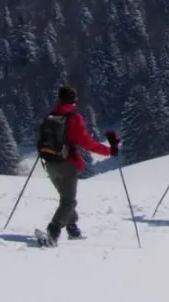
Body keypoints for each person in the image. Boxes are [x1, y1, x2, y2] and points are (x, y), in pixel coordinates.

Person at [34, 85, 118, 245]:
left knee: (65, 198)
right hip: (67, 163)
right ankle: (53, 231)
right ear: (74, 100)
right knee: (69, 201)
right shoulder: (73, 117)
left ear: (59, 98)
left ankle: (72, 228)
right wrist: (108, 151)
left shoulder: (51, 116)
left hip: (49, 163)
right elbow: (86, 142)